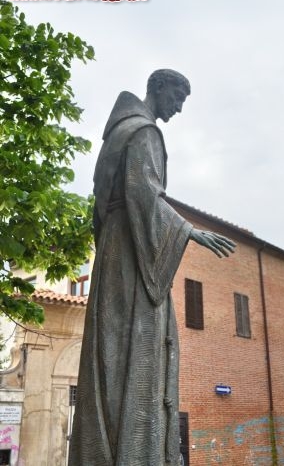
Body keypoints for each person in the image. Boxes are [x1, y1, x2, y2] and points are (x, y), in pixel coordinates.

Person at [69, 69, 235, 466]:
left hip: (113, 249)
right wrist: (190, 232)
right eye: (177, 98)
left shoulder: (117, 131)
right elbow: (144, 194)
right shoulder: (144, 133)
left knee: (111, 347)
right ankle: (134, 450)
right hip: (130, 252)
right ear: (158, 88)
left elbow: (103, 201)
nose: (178, 108)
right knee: (140, 342)